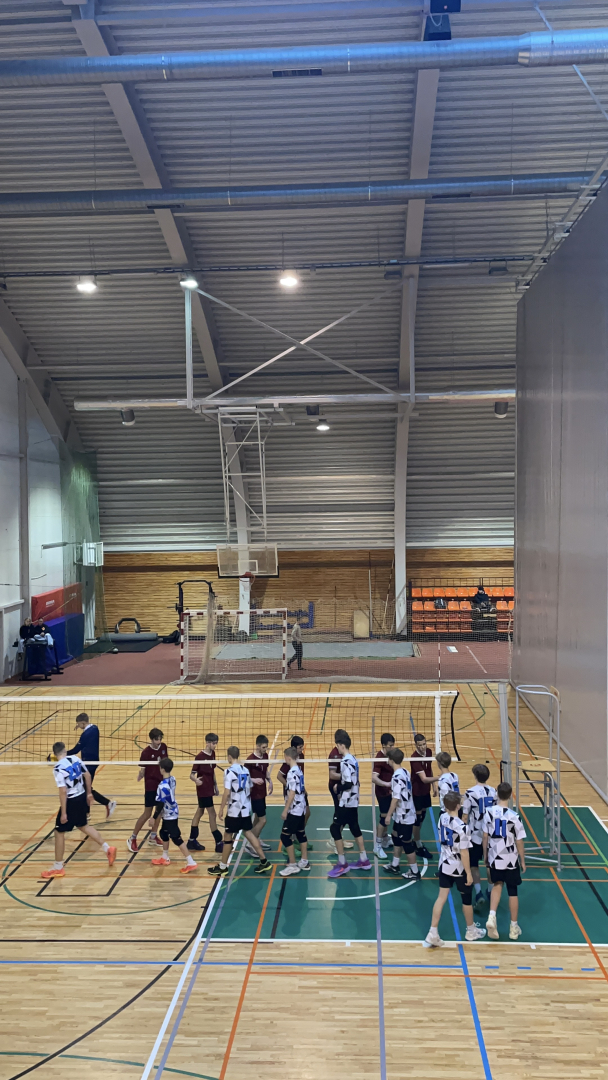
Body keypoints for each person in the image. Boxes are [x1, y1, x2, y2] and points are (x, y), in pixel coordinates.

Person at [41, 741, 117, 879]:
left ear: (54, 754)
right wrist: (89, 794)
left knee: (59, 832)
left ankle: (58, 867)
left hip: (71, 801)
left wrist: (64, 812)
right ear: (65, 751)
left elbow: (63, 791)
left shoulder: (58, 768)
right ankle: (108, 848)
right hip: (82, 796)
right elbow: (87, 775)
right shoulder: (75, 758)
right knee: (83, 826)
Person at [423, 791, 486, 947]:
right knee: (466, 900)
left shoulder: (442, 818)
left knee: (441, 897)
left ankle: (432, 932)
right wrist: (469, 873)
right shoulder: (463, 828)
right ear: (458, 806)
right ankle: (471, 931)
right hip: (459, 868)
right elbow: (464, 853)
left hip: (445, 865)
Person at [208, 746, 272, 877]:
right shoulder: (245, 770)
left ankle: (223, 867)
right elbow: (250, 787)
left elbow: (227, 792)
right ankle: (264, 861)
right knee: (248, 833)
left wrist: (221, 809)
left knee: (227, 836)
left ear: (229, 757)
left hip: (234, 810)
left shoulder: (229, 771)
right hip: (245, 809)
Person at [483, 781, 527, 940]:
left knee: (497, 884)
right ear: (510, 796)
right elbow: (519, 841)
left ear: (497, 794)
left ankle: (491, 916)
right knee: (512, 890)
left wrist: (485, 855)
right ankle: (513, 928)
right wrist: (522, 860)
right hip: (510, 859)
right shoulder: (514, 816)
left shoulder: (488, 813)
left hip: (495, 856)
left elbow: (485, 837)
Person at [328, 732, 371, 878]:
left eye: (338, 745)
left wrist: (337, 788)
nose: (337, 748)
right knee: (354, 827)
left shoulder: (345, 761)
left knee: (334, 829)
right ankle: (364, 860)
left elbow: (348, 783)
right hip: (354, 799)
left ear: (342, 745)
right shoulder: (353, 759)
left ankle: (342, 864)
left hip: (347, 801)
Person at [150, 758, 198, 874]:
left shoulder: (162, 786)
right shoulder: (173, 779)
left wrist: (153, 817)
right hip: (173, 811)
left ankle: (191, 862)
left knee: (176, 838)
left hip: (169, 814)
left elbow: (160, 804)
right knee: (164, 833)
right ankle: (165, 857)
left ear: (162, 769)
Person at [66, 712, 116, 818]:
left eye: (79, 724)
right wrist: (82, 726)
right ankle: (87, 813)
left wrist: (62, 754)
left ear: (83, 723)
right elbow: (88, 729)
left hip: (89, 764)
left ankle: (107, 803)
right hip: (92, 761)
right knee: (85, 787)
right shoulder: (94, 728)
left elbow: (75, 750)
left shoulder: (85, 735)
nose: (78, 726)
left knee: (85, 788)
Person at [461, 763, 497, 910]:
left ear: (475, 776)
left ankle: (478, 893)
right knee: (489, 864)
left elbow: (465, 816)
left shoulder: (470, 793)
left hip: (475, 835)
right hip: (490, 834)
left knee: (474, 865)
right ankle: (490, 891)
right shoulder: (494, 792)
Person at [382, 748, 420, 881]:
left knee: (407, 843)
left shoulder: (397, 777)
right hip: (402, 814)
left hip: (405, 816)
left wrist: (388, 815)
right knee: (395, 836)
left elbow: (395, 799)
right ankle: (395, 865)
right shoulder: (404, 771)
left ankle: (415, 872)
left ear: (391, 760)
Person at [127, 727, 167, 852]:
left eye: (160, 739)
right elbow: (143, 769)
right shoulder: (146, 752)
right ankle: (132, 838)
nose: (159, 742)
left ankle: (153, 836)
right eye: (156, 739)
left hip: (161, 785)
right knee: (147, 813)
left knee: (159, 812)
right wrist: (140, 775)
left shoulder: (163, 747)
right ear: (151, 739)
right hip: (150, 786)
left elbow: (165, 765)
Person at [187, 733, 223, 854]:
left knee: (200, 812)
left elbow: (212, 771)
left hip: (209, 788)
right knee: (212, 814)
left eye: (216, 743)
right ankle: (218, 842)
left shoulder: (213, 754)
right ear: (207, 743)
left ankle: (191, 840)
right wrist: (196, 780)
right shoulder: (200, 757)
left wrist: (215, 785)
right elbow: (192, 775)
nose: (215, 745)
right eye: (213, 743)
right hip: (203, 789)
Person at [279, 746, 310, 877]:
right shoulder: (299, 770)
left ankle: (292, 865)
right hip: (301, 808)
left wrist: (285, 810)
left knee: (285, 837)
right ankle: (304, 861)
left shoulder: (291, 773)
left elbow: (292, 793)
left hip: (295, 810)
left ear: (288, 758)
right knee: (300, 833)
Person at [244, 734, 273, 856]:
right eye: (263, 747)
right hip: (254, 794)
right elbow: (244, 777)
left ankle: (257, 839)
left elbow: (265, 770)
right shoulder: (250, 760)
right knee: (263, 820)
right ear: (257, 746)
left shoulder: (265, 756)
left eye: (266, 747)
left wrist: (270, 781)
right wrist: (253, 780)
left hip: (262, 792)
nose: (265, 750)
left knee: (257, 817)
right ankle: (251, 843)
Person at [410, 732, 435, 860]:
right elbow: (424, 779)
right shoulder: (414, 758)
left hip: (426, 791)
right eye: (419, 745)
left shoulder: (429, 752)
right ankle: (417, 844)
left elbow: (429, 770)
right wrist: (441, 777)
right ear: (416, 745)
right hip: (417, 791)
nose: (422, 747)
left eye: (424, 744)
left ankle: (415, 839)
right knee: (417, 818)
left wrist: (434, 786)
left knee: (423, 815)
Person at [327, 729, 353, 852]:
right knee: (340, 813)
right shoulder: (334, 755)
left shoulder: (344, 752)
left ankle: (339, 838)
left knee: (344, 813)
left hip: (344, 787)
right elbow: (332, 774)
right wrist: (347, 776)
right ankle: (334, 840)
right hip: (336, 788)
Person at [371, 732, 395, 859]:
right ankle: (378, 846)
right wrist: (386, 784)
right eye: (390, 746)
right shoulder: (379, 758)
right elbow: (374, 778)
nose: (392, 747)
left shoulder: (390, 755)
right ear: (383, 745)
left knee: (386, 817)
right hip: (383, 793)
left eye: (393, 745)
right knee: (384, 819)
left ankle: (385, 839)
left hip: (389, 792)